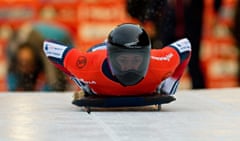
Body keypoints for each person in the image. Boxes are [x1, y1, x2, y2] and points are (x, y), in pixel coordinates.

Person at [42, 23, 191, 97]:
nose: (130, 66)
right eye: (124, 60)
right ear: (112, 57)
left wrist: (169, 85)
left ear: (146, 56)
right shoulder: (88, 67)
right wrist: (79, 79)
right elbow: (48, 46)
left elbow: (186, 46)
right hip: (98, 52)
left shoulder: (160, 63)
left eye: (136, 60)